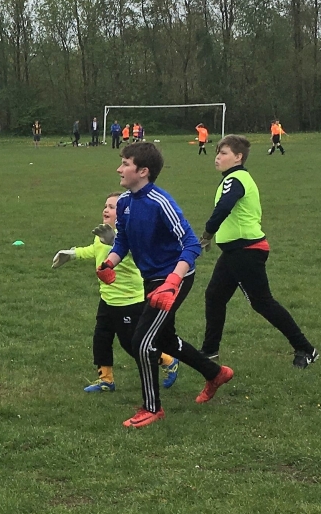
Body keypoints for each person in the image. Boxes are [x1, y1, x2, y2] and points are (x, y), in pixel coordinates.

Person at [99, 142, 233, 428]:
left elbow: (191, 244)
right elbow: (122, 240)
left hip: (176, 276)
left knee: (142, 341)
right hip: (153, 279)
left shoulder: (161, 202)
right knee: (166, 339)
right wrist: (109, 263)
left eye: (125, 163)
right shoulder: (124, 202)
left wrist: (173, 282)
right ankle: (215, 373)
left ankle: (152, 408)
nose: (119, 168)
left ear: (143, 171)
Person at [198, 135, 319, 368]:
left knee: (262, 302)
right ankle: (210, 351)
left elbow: (224, 206)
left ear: (238, 157)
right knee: (214, 297)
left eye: (223, 153)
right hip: (234, 251)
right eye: (217, 153)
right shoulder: (233, 179)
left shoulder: (236, 178)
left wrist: (207, 234)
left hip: (246, 250)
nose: (217, 157)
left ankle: (306, 348)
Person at [52, 192, 180, 393]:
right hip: (107, 299)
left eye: (112, 207)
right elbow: (95, 251)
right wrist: (73, 253)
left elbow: (135, 254)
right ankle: (106, 380)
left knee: (131, 345)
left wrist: (115, 242)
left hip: (129, 301)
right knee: (101, 338)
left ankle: (167, 360)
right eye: (105, 206)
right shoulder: (101, 234)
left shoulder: (130, 234)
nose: (106, 210)